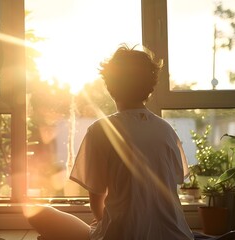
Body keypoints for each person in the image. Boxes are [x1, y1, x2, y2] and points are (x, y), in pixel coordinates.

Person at [24, 44, 194, 240]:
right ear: (150, 88)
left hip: (121, 234)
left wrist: (102, 223)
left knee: (37, 212)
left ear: (110, 86)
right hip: (178, 235)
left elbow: (96, 200)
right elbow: (175, 181)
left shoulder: (101, 130)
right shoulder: (166, 130)